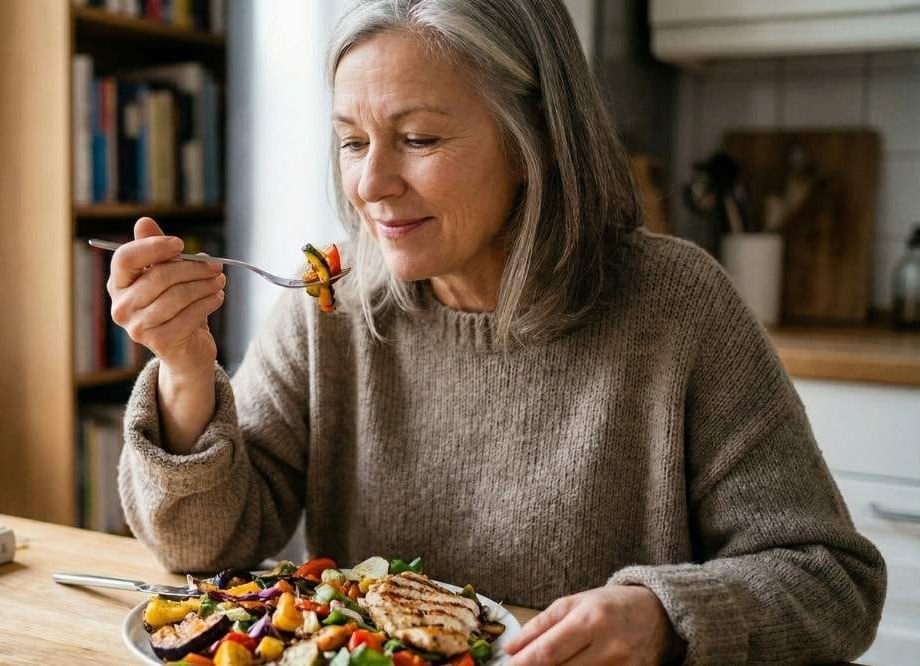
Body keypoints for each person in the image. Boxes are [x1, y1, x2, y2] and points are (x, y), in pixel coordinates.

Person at [104, 1, 886, 663]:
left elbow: (831, 582)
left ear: (534, 139)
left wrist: (663, 618)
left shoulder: (674, 308)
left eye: (418, 139)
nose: (370, 184)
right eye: (351, 141)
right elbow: (203, 550)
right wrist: (184, 368)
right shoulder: (331, 304)